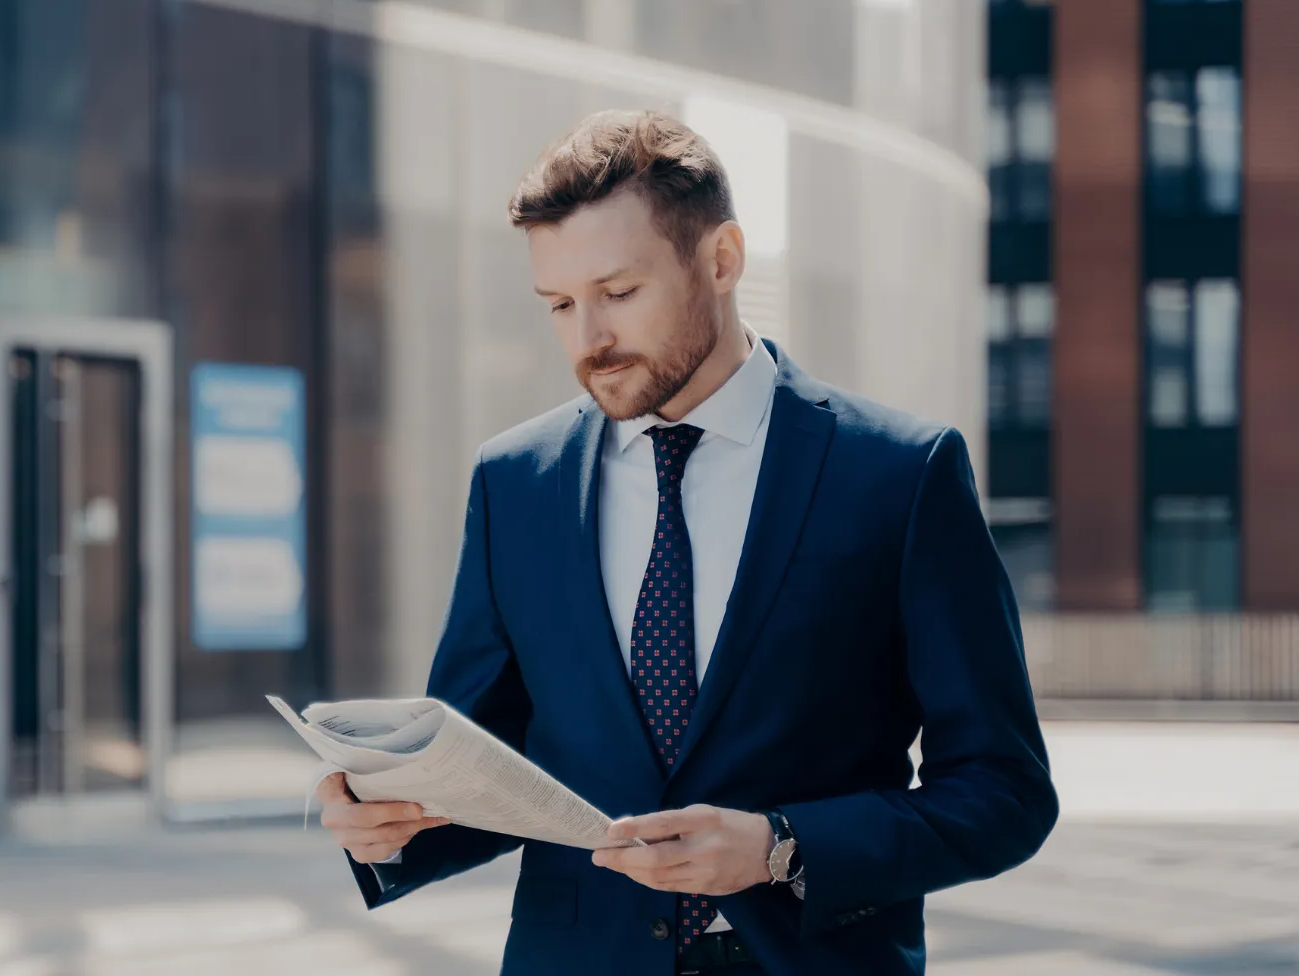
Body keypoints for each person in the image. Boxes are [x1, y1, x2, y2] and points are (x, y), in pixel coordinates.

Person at [316, 110, 1058, 975]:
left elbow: (1005, 793)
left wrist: (783, 846)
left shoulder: (899, 474)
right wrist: (388, 827)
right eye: (559, 304)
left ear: (722, 260)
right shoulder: (515, 482)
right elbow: (485, 768)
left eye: (619, 293)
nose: (588, 340)